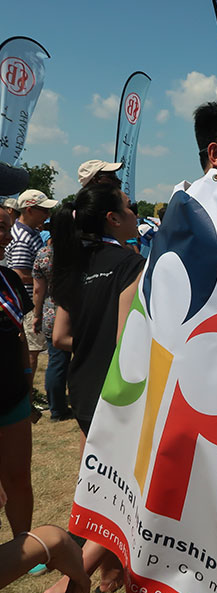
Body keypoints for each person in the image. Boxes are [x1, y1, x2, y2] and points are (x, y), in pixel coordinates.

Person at [52, 185, 143, 436]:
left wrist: (91, 343)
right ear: (113, 219)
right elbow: (127, 341)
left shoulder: (72, 263)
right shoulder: (132, 265)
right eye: (129, 206)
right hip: (118, 393)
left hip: (81, 390)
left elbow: (59, 337)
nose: (135, 213)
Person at [0, 193, 35, 545]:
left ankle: (23, 544)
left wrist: (27, 377)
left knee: (18, 477)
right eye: (0, 229)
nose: (8, 238)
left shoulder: (9, 278)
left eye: (8, 229)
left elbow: (19, 332)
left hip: (12, 397)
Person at [7, 189, 57, 378]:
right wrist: (47, 278)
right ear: (29, 210)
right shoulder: (22, 238)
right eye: (43, 210)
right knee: (31, 354)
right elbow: (18, 274)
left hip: (30, 302)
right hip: (28, 302)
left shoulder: (31, 233)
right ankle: (27, 396)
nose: (47, 215)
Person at [32, 237, 73, 421]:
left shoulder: (43, 254)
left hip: (51, 311)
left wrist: (36, 314)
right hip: (76, 311)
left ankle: (57, 408)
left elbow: (38, 290)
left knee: (56, 362)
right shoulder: (78, 251)